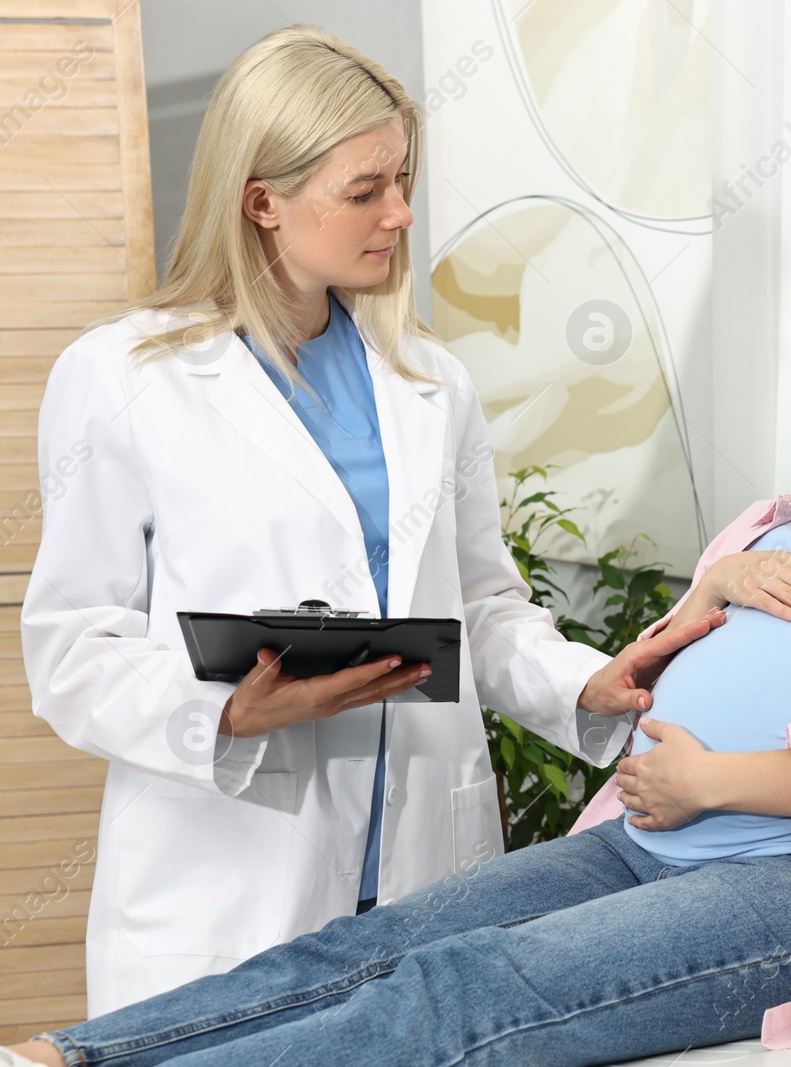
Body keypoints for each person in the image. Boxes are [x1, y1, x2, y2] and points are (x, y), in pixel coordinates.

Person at [4, 258, 791, 1066]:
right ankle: (69, 1054)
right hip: (638, 838)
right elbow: (659, 676)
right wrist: (706, 595)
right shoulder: (772, 520)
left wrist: (716, 780)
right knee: (366, 947)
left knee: (455, 990)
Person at [15, 25, 718, 1017]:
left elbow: (481, 605)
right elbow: (73, 643)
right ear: (262, 200)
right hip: (230, 865)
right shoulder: (125, 377)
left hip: (424, 862)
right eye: (366, 190)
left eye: (402, 180)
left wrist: (583, 681)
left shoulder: (432, 379)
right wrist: (225, 709)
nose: (401, 212)